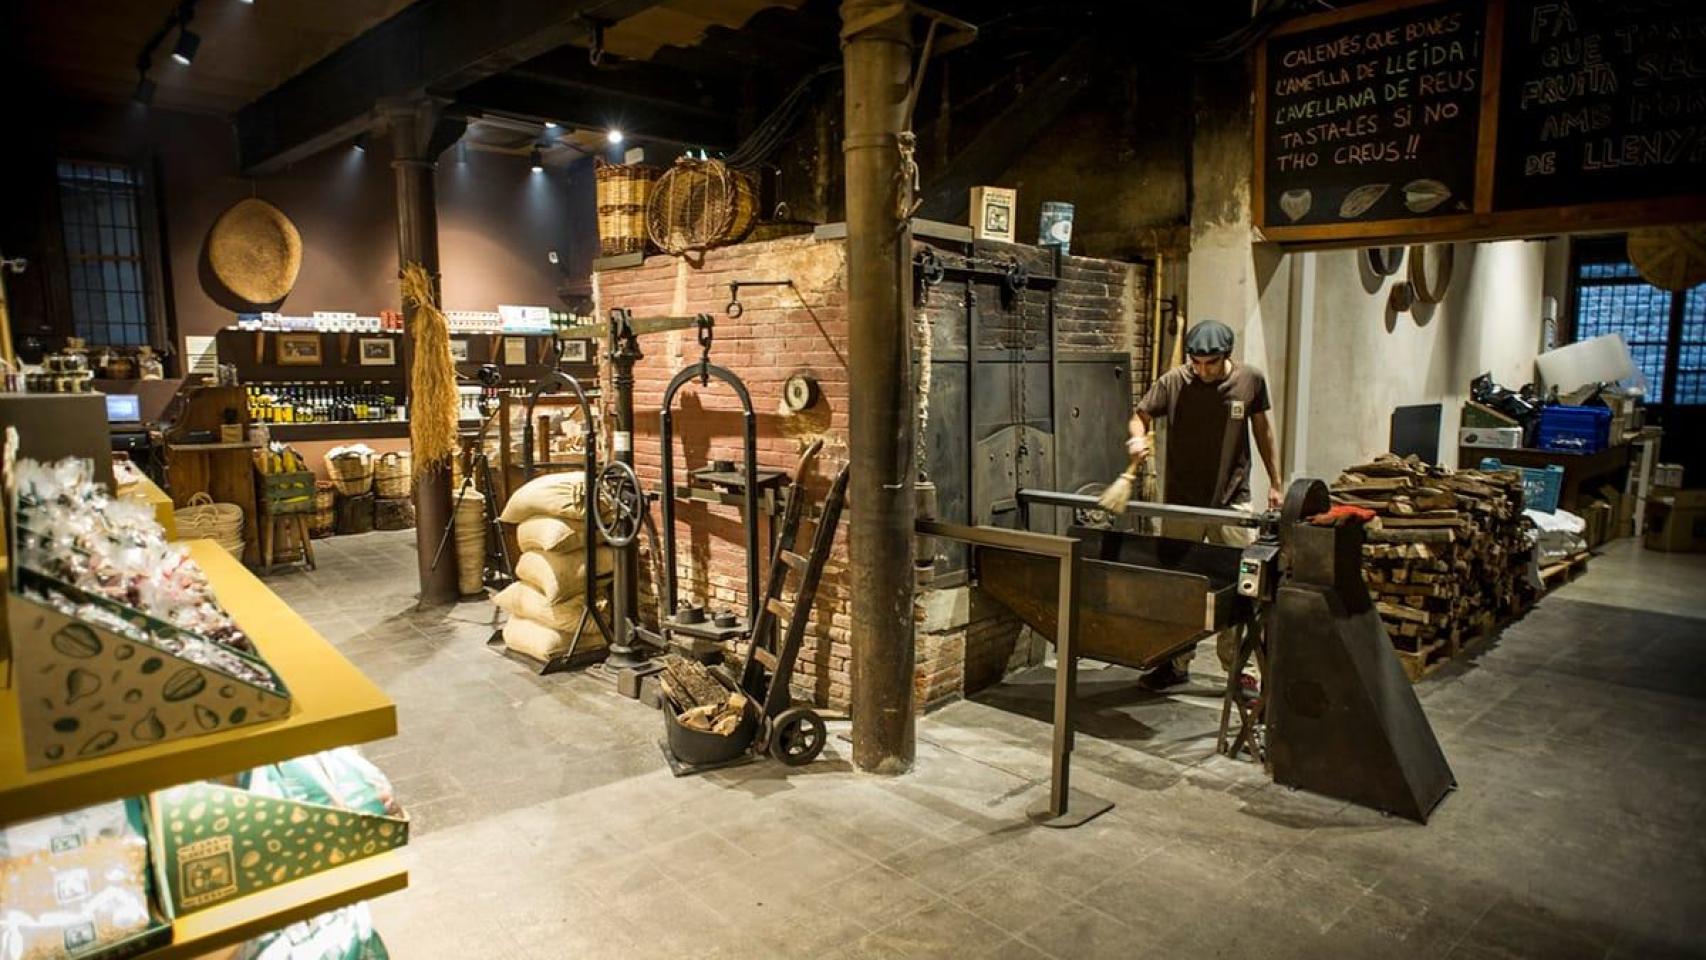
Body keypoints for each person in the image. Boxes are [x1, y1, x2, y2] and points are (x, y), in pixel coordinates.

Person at [1125, 319, 1282, 691]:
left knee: (1239, 588)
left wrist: (1276, 482)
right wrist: (1136, 439)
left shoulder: (1250, 381)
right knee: (1181, 586)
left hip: (1232, 502)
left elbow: (1263, 430)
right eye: (1196, 362)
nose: (1202, 370)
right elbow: (1140, 414)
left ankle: (1239, 669)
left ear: (1227, 356)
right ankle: (1176, 662)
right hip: (1182, 503)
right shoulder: (1174, 382)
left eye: (1210, 363)